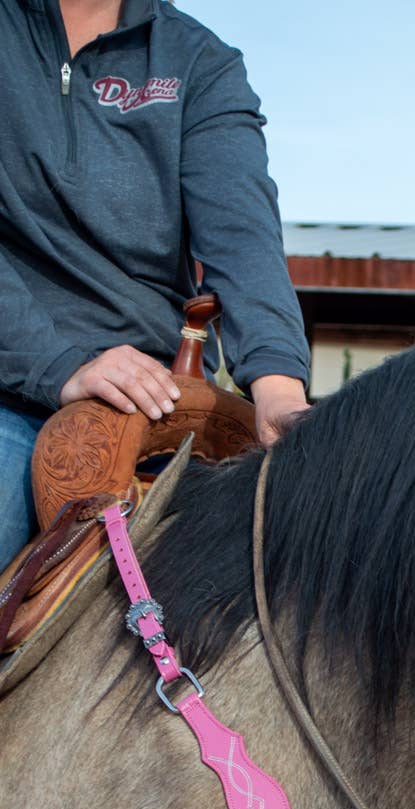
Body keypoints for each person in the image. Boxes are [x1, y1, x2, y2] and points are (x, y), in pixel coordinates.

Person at [0, 0, 312, 567]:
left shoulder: (198, 60)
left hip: (154, 393)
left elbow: (240, 227)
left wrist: (278, 384)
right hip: (10, 381)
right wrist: (58, 365)